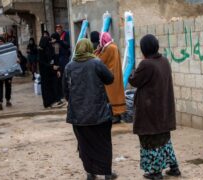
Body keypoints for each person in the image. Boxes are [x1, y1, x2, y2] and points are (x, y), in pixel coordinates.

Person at [63, 39, 117, 180]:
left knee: (85, 144)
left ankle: (90, 173)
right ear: (89, 48)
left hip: (78, 117)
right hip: (99, 114)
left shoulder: (69, 67)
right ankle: (107, 173)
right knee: (103, 143)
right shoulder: (96, 63)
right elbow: (110, 79)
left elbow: (66, 92)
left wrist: (76, 103)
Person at [129, 34, 181, 180]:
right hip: (163, 110)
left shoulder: (146, 64)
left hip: (150, 112)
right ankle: (174, 167)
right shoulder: (164, 60)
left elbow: (134, 80)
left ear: (144, 49)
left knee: (150, 142)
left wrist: (134, 70)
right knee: (165, 141)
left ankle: (155, 172)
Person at [95, 32, 126, 123]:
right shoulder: (114, 46)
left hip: (110, 76)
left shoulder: (108, 48)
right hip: (115, 75)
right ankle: (117, 115)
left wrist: (97, 51)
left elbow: (98, 60)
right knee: (116, 95)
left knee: (111, 97)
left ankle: (115, 116)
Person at [0, 36, 17, 110]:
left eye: (0, 41)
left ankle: (8, 100)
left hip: (8, 71)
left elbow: (14, 57)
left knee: (8, 85)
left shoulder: (8, 49)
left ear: (3, 42)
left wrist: (17, 60)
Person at [38, 31, 58, 108]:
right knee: (46, 88)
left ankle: (52, 101)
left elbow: (52, 58)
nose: (50, 43)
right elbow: (42, 62)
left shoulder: (49, 49)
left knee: (50, 86)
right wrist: (51, 66)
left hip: (50, 72)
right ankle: (47, 102)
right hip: (45, 72)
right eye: (48, 42)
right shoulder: (41, 51)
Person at [50, 32, 69, 104]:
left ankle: (61, 95)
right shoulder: (63, 43)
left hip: (60, 64)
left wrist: (57, 67)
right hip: (66, 62)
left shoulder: (57, 45)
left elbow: (56, 55)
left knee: (60, 80)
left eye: (52, 38)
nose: (51, 40)